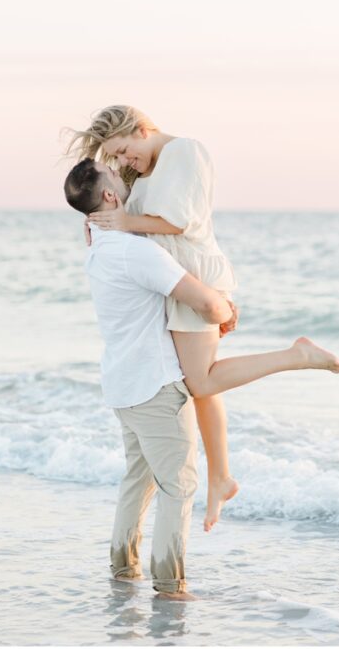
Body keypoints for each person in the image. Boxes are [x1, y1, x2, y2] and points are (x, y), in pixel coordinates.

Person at [66, 105, 339, 532]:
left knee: (201, 381)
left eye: (124, 150)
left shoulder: (185, 152)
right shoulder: (138, 172)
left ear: (143, 129)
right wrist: (100, 223)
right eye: (117, 158)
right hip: (174, 280)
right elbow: (123, 213)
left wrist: (122, 221)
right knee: (201, 385)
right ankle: (220, 477)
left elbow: (180, 222)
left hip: (194, 276)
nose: (123, 162)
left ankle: (298, 355)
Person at [63, 158, 233, 600]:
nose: (123, 179)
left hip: (122, 386)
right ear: (109, 197)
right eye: (117, 178)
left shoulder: (99, 248)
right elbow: (207, 305)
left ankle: (122, 570)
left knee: (137, 481)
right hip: (156, 386)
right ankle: (170, 586)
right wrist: (226, 311)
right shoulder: (137, 253)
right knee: (179, 486)